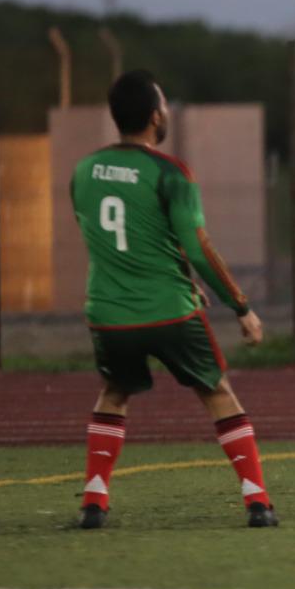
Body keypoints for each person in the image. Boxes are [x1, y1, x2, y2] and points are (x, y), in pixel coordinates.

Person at [69, 70, 276, 529]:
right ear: (155, 116)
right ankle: (257, 501)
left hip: (108, 314)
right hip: (170, 311)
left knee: (114, 392)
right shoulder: (171, 172)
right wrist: (241, 306)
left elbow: (120, 239)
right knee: (217, 392)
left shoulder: (83, 171)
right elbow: (197, 245)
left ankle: (94, 501)